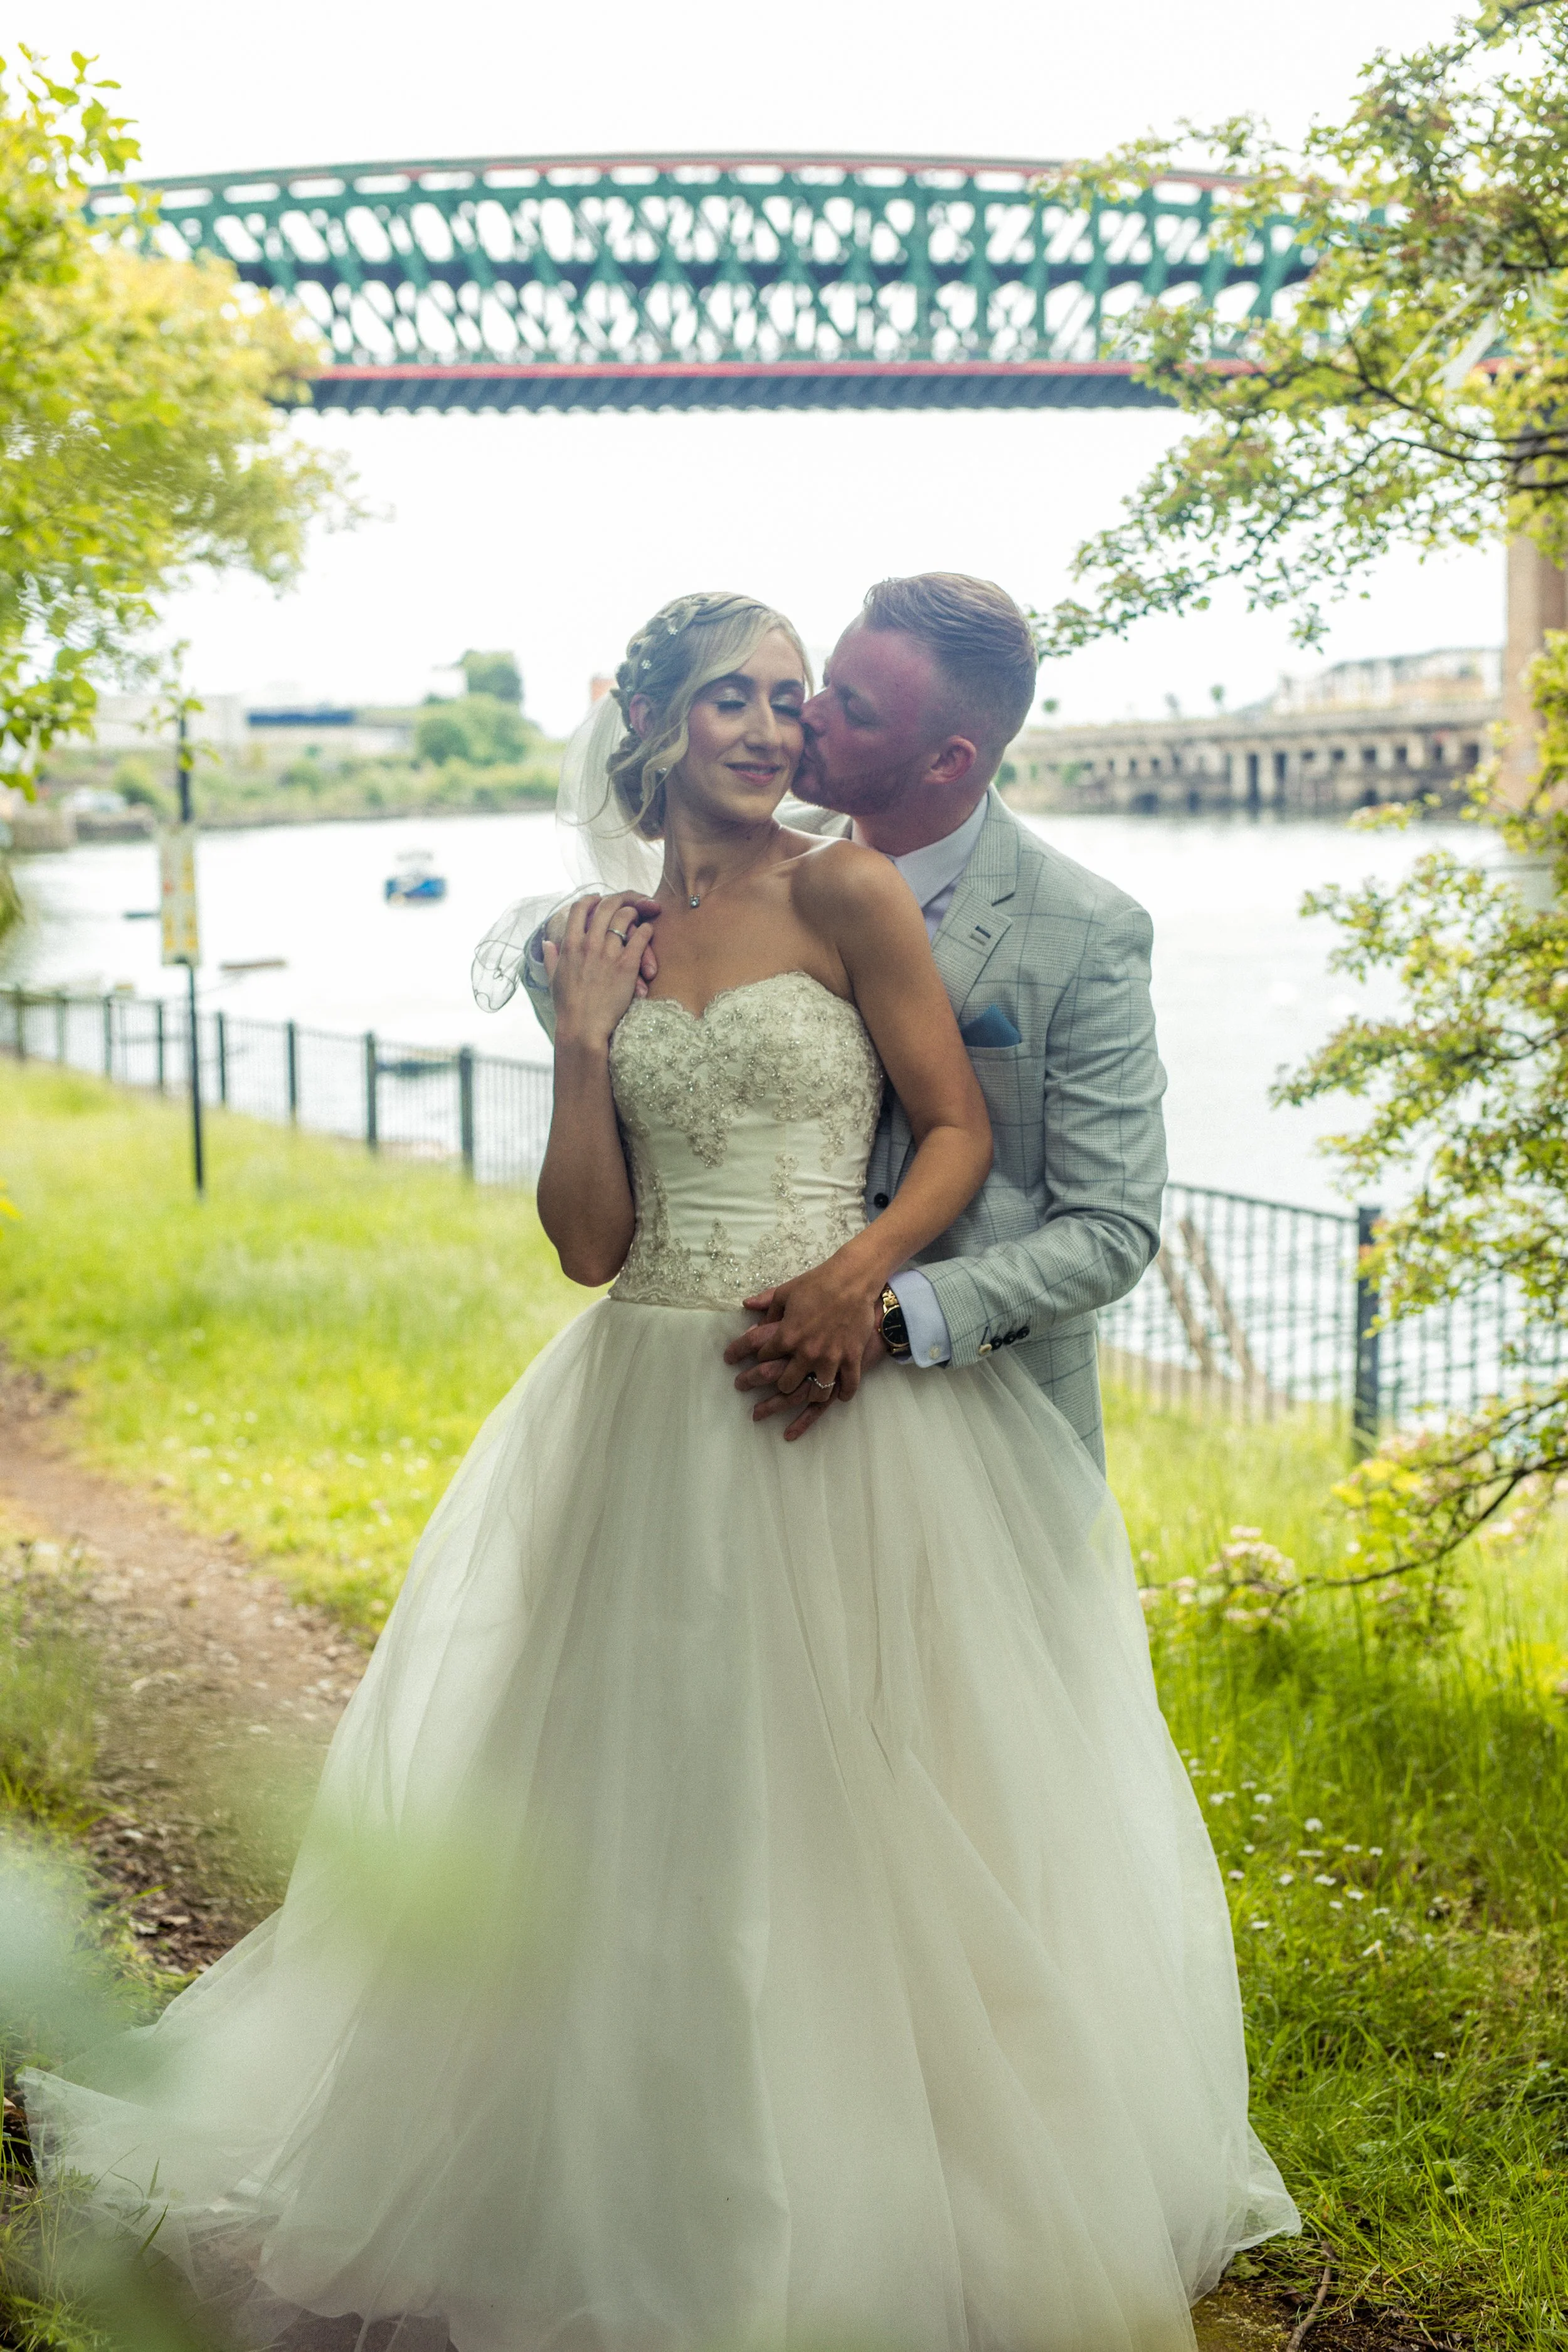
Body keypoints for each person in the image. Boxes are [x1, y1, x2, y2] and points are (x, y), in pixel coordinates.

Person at [24, 590, 1296, 2352]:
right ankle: (612, 2172)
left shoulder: (846, 887)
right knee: (630, 1799)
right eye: (738, 699)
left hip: (839, 1396)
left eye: (796, 699)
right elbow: (587, 1241)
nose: (775, 729)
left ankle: (888, 2182)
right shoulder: (591, 932)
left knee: (855, 1798)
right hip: (637, 1391)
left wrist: (863, 1278)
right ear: (653, 715)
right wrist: (575, 1036)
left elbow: (958, 1133)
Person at [520, 574, 1166, 1471]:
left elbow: (1111, 1229)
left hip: (970, 1421)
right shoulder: (713, 864)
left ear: (946, 759)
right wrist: (577, 1027)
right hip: (666, 1392)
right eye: (802, 691)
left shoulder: (1087, 931)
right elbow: (592, 1241)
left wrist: (882, 1306)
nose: (801, 722)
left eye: (835, 704)